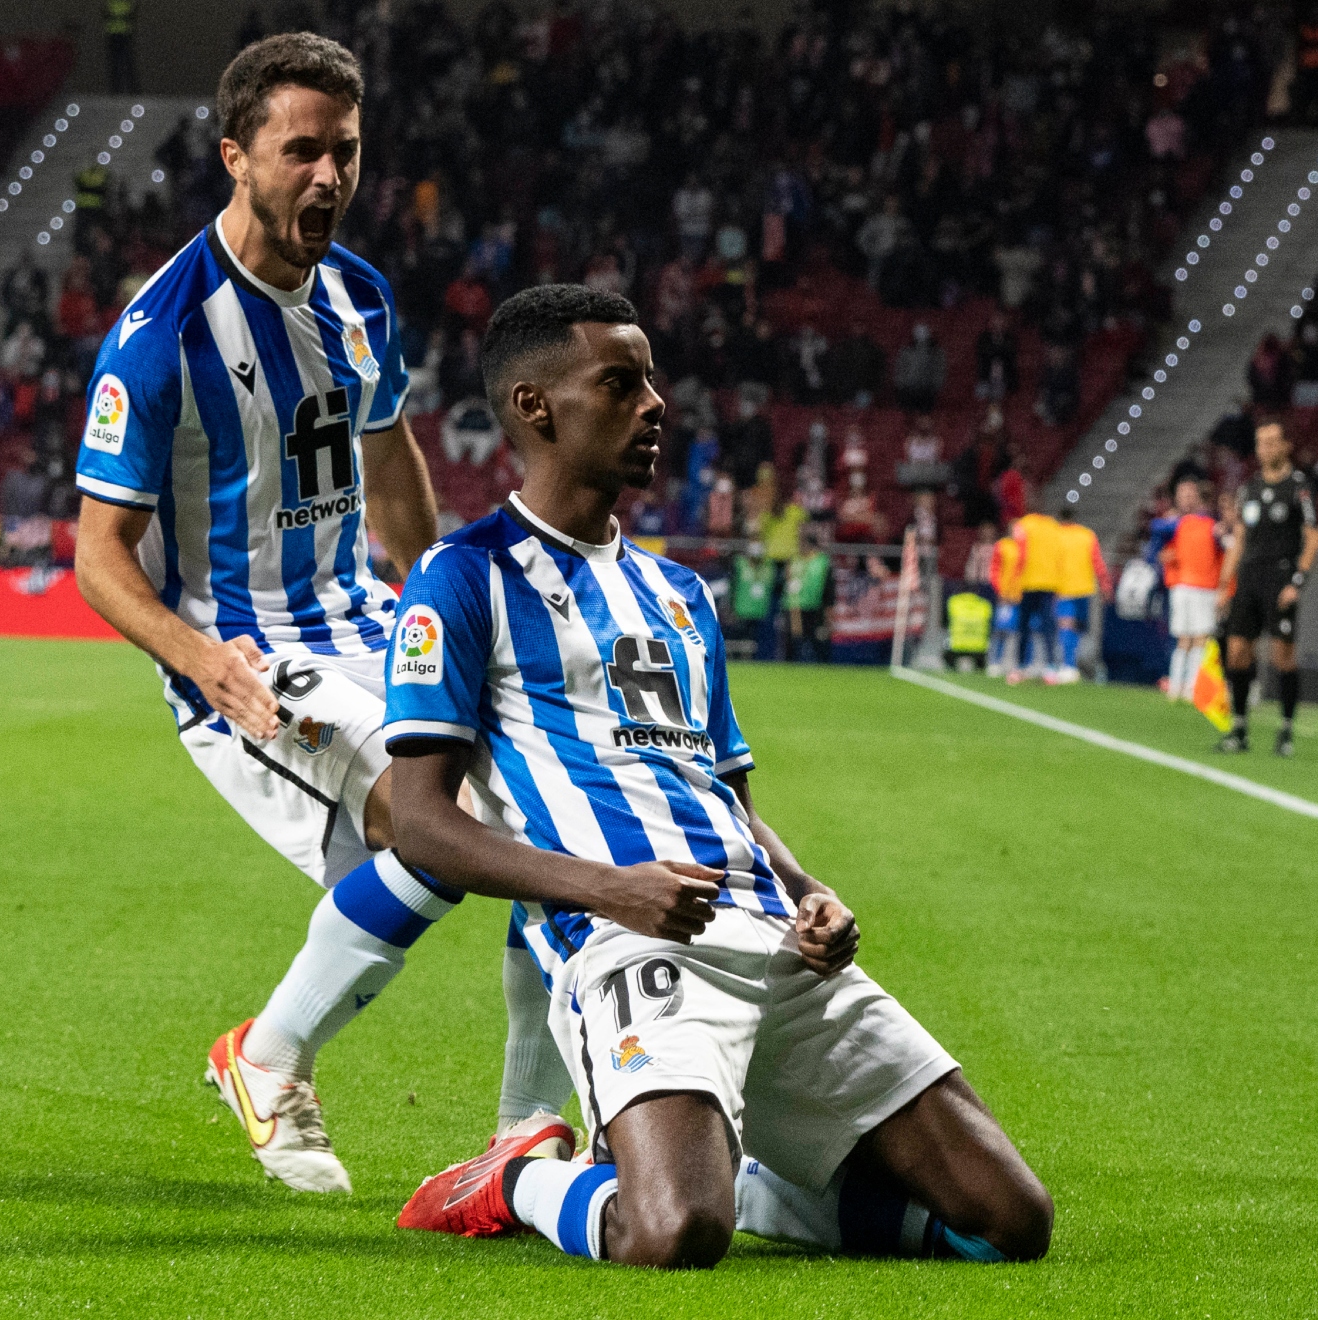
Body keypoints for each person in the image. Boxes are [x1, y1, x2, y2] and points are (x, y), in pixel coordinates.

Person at [385, 284, 1054, 1268]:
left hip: (772, 939)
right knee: (673, 1232)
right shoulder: (463, 576)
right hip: (625, 941)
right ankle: (520, 1175)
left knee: (1009, 1222)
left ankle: (742, 1182)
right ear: (536, 407)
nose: (655, 404)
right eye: (621, 384)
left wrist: (810, 888)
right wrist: (608, 889)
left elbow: (725, 798)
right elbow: (418, 821)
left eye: (652, 381)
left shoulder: (679, 592)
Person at [70, 35, 570, 1193]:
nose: (330, 176)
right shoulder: (161, 337)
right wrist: (204, 662)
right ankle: (272, 1057)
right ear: (236, 157)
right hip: (249, 651)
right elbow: (98, 558)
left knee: (552, 818)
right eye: (302, 151)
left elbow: (390, 469)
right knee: (432, 823)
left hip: (368, 625)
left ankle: (524, 1129)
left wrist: (450, 605)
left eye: (345, 151)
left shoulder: (360, 296)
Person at [1216, 421, 1318, 756]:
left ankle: (1286, 730)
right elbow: (1239, 539)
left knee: (1282, 657)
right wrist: (1224, 585)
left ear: (1286, 446)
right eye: (1261, 443)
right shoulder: (1248, 488)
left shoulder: (1299, 486)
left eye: (1273, 442)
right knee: (1236, 652)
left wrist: (1297, 581)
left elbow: (1313, 537)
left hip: (1281, 578)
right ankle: (1239, 729)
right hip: (1249, 577)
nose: (1266, 449)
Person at [1154, 479, 1222, 703]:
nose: (1188, 499)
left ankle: (1183, 687)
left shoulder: (1191, 524)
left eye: (1191, 495)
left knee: (1191, 639)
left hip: (1193, 586)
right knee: (1192, 638)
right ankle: (1185, 687)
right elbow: (1156, 545)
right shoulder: (1183, 525)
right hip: (1191, 586)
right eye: (1184, 495)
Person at [1049, 507, 1111, 685]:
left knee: (1066, 627)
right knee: (1076, 628)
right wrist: (1105, 585)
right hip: (1085, 589)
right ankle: (1071, 666)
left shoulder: (1055, 535)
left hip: (1063, 589)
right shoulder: (1087, 535)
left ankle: (1067, 665)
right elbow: (1098, 562)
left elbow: (1051, 562)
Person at [1007, 504, 1063, 683]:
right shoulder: (1054, 526)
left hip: (1028, 583)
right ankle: (1051, 668)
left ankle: (1021, 667)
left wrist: (1012, 582)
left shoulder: (1023, 525)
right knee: (1048, 628)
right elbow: (1059, 555)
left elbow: (1020, 554)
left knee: (1023, 626)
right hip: (1049, 583)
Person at [784, 524, 834, 662]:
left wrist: (828, 612)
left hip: (814, 609)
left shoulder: (822, 561)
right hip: (794, 607)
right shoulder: (794, 559)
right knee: (792, 646)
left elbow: (828, 589)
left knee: (817, 644)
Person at [985, 525, 1023, 678]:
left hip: (1022, 595)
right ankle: (995, 661)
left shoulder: (1027, 547)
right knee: (1001, 630)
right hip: (1005, 596)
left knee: (1023, 630)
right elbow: (995, 569)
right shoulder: (1002, 546)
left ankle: (1021, 664)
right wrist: (999, 590)